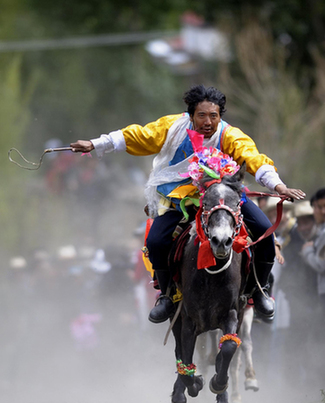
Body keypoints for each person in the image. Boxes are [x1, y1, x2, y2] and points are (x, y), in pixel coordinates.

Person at [70, 85, 306, 323]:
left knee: (265, 230)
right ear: (191, 115)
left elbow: (253, 158)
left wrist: (278, 186)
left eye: (214, 116)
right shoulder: (172, 127)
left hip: (222, 197)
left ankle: (261, 290)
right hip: (181, 199)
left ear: (220, 117)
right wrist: (95, 144)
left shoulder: (230, 135)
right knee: (155, 241)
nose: (208, 121)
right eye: (201, 115)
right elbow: (140, 136)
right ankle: (166, 296)